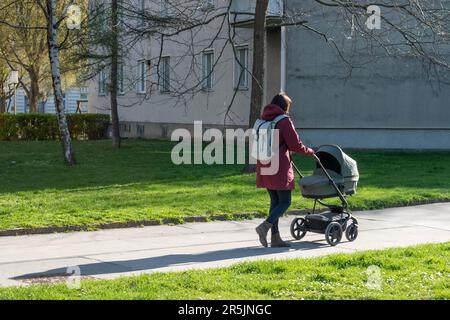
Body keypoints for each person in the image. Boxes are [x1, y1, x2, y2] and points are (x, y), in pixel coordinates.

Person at [255, 93, 315, 247]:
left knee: (275, 201)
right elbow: (295, 144)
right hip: (279, 167)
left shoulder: (263, 119)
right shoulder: (284, 121)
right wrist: (310, 152)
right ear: (284, 107)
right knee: (285, 201)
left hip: (264, 164)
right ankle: (265, 227)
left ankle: (275, 238)